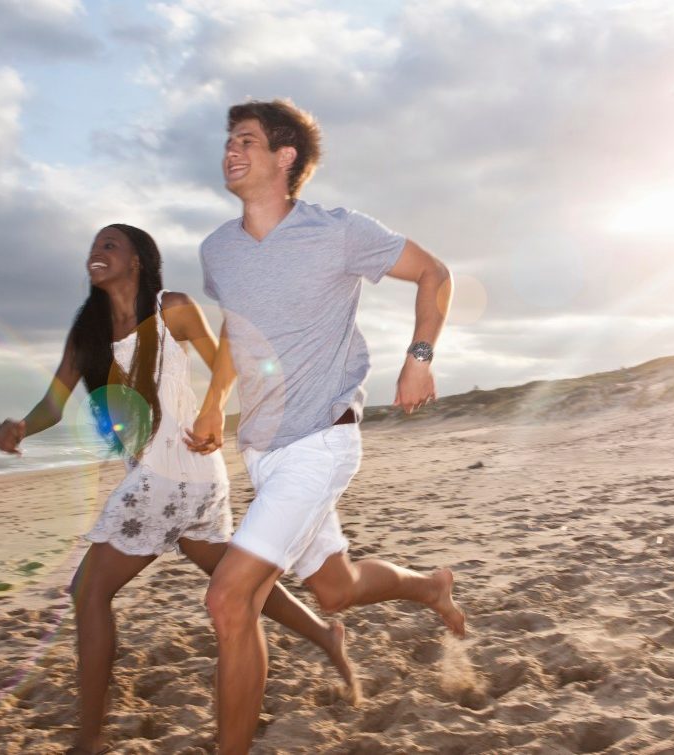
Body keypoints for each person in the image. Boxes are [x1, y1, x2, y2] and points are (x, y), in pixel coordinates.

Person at [0, 224, 355, 755]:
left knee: (88, 592)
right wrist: (22, 426)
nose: (98, 252)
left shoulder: (172, 308)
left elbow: (226, 364)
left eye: (110, 245)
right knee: (235, 577)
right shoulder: (86, 335)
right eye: (94, 246)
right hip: (180, 478)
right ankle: (326, 636)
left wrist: (215, 413)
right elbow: (53, 403)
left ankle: (88, 739)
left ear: (138, 259)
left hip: (177, 466)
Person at [188, 99, 466, 754]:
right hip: (262, 452)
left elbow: (435, 272)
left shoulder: (338, 232)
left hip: (323, 440)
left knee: (231, 601)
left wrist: (419, 359)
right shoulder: (217, 250)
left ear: (285, 158)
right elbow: (237, 327)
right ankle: (430, 586)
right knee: (334, 590)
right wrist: (212, 403)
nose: (231, 151)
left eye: (247, 141)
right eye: (229, 141)